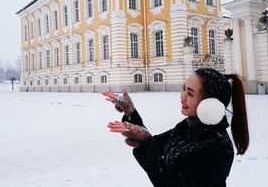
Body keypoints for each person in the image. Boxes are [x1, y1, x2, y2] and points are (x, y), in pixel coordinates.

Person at [104, 68, 249, 187]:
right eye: (184, 89)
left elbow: (168, 182)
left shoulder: (217, 147)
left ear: (210, 104)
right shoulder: (188, 126)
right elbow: (154, 144)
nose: (182, 96)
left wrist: (145, 139)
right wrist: (130, 112)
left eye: (190, 93)